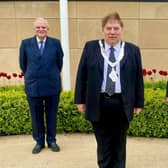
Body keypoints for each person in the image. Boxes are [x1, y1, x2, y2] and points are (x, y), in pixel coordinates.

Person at [74, 12, 144, 168]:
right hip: (99, 102)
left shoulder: (132, 50)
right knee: (103, 143)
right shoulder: (91, 47)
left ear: (121, 29)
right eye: (109, 28)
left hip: (122, 103)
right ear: (103, 30)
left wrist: (138, 103)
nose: (112, 32)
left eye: (116, 28)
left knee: (119, 143)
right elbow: (82, 74)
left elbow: (138, 78)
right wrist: (79, 100)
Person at [19, 17, 63, 154]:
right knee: (36, 115)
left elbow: (59, 63)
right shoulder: (25, 44)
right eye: (38, 27)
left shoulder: (56, 43)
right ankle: (39, 142)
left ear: (48, 29)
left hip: (52, 85)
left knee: (51, 114)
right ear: (34, 29)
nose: (41, 29)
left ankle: (51, 140)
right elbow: (23, 64)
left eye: (43, 27)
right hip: (33, 86)